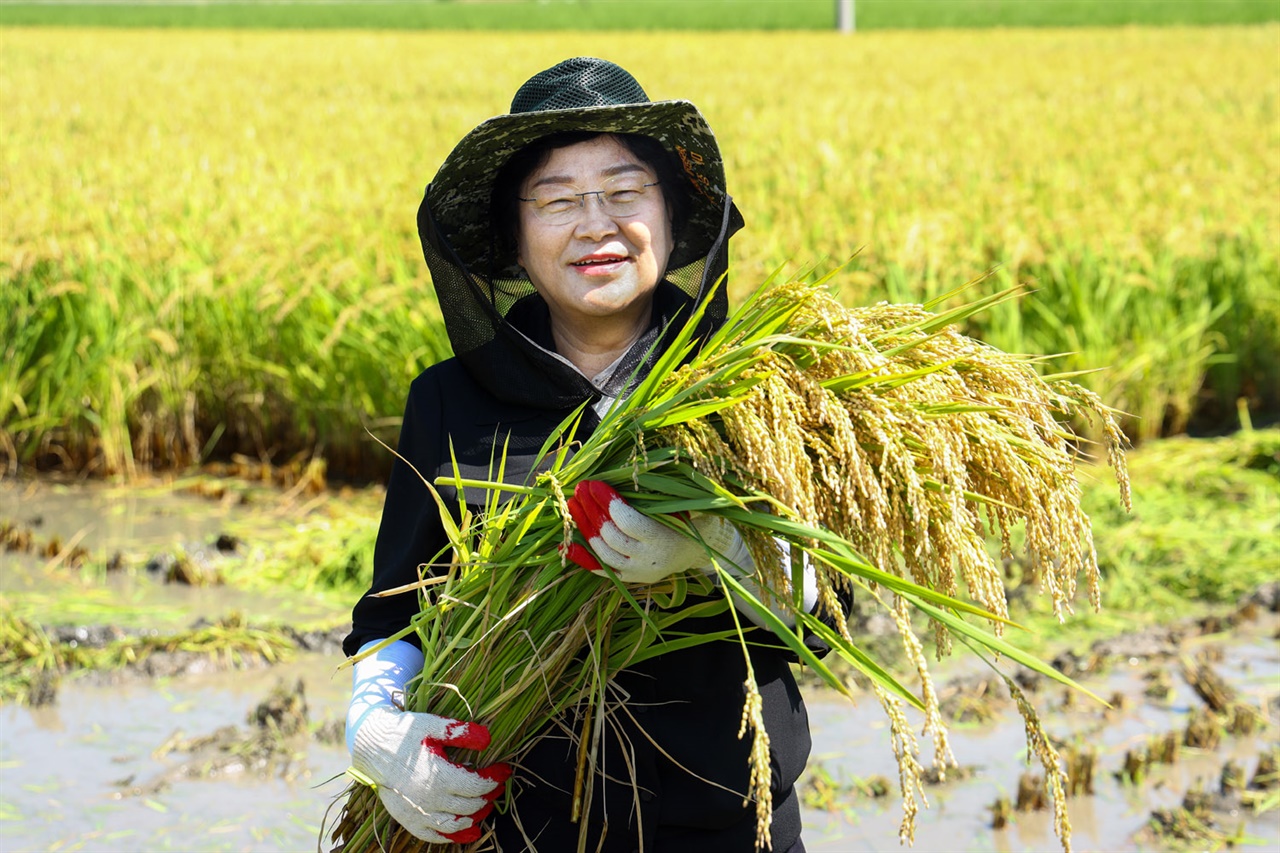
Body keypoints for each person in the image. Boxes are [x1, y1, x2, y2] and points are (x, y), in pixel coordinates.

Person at [342, 57, 830, 853]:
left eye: (625, 191)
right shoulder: (449, 402)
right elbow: (398, 611)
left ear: (672, 221)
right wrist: (373, 728)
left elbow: (827, 604)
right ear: (514, 241)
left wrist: (719, 547)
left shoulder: (752, 391)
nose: (595, 223)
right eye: (558, 200)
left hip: (728, 824)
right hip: (522, 828)